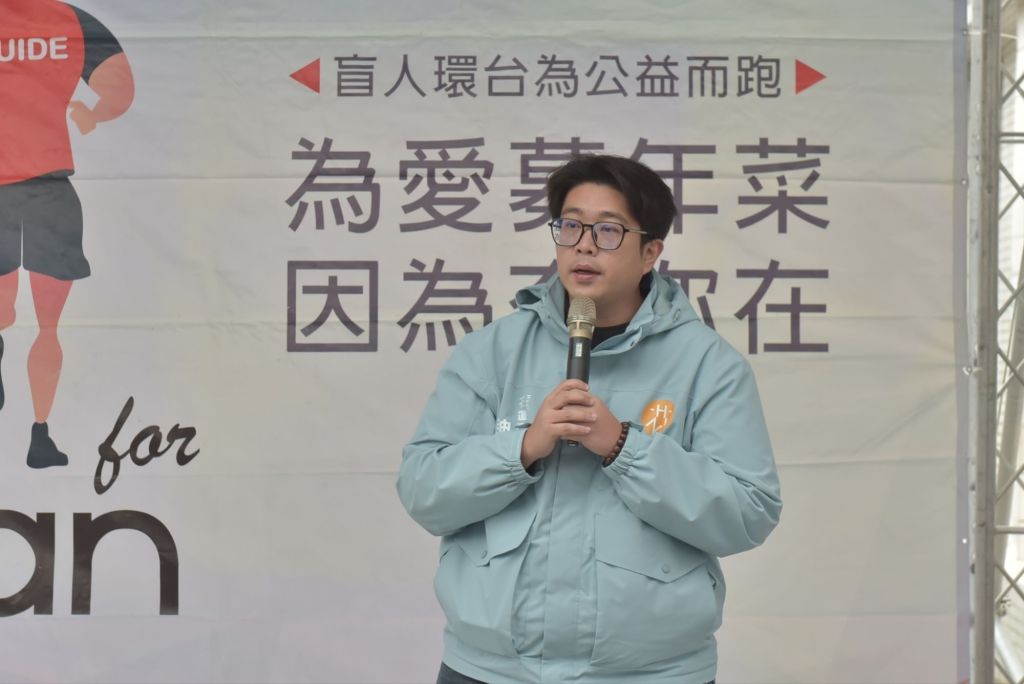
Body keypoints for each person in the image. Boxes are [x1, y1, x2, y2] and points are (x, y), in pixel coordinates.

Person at [397, 155, 782, 684]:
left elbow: (748, 512)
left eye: (607, 230)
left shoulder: (708, 365)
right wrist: (521, 449)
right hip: (490, 670)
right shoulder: (491, 352)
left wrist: (624, 446)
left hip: (653, 674)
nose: (583, 245)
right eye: (571, 226)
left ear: (651, 252)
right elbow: (423, 490)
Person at [0, 0, 135, 467]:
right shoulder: (68, 19)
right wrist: (92, 115)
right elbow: (119, 87)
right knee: (48, 326)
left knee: (5, 312)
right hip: (51, 190)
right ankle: (40, 437)